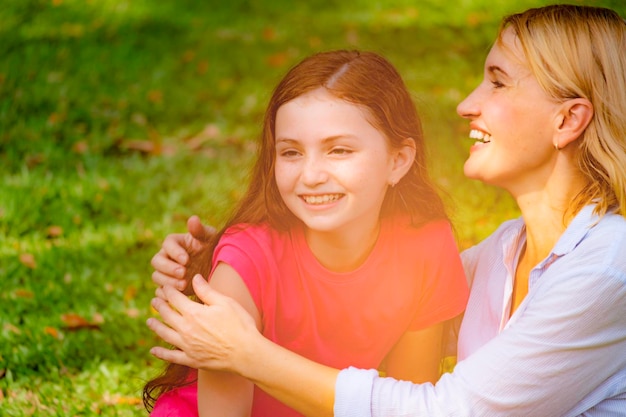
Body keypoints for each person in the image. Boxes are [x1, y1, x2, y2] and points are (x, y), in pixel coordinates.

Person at [147, 4, 626, 416]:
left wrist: (247, 352)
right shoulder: (506, 248)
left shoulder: (607, 268)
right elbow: (370, 302)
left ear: (567, 119)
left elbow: (446, 410)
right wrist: (239, 264)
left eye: (497, 83)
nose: (464, 104)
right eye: (291, 152)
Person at [143, 50, 469, 416]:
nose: (311, 175)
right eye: (291, 152)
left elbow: (405, 404)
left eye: (339, 150)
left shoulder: (424, 245)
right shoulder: (246, 262)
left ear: (398, 161)